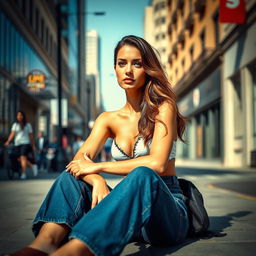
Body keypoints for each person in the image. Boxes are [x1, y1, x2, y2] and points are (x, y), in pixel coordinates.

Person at [3, 35, 189, 256]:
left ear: (148, 68)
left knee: (143, 174)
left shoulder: (163, 107)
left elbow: (157, 164)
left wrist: (99, 167)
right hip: (133, 213)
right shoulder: (107, 119)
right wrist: (96, 179)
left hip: (167, 212)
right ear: (115, 69)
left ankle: (76, 251)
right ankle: (44, 245)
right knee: (70, 178)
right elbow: (79, 162)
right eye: (122, 63)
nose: (128, 70)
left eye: (137, 63)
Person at [4, 111, 38, 179]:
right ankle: (32, 165)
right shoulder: (15, 125)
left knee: (23, 157)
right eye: (18, 115)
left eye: (21, 115)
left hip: (25, 143)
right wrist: (8, 141)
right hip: (17, 144)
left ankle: (23, 174)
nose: (19, 117)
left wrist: (33, 145)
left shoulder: (28, 125)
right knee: (18, 158)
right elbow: (12, 134)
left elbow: (31, 136)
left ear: (23, 116)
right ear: (17, 117)